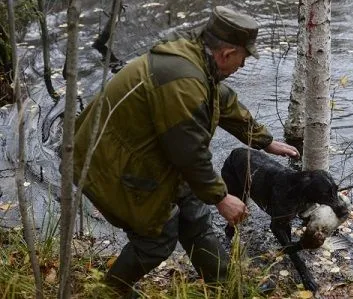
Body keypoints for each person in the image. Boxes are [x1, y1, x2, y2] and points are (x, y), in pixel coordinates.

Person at [73, 5, 299, 297]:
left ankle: (227, 287)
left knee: (194, 216)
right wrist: (221, 197)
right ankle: (107, 292)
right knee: (156, 238)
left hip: (144, 153)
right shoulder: (184, 81)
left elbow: (224, 101)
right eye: (243, 58)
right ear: (227, 53)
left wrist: (265, 141)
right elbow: (188, 152)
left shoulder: (196, 58)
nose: (242, 66)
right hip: (111, 162)